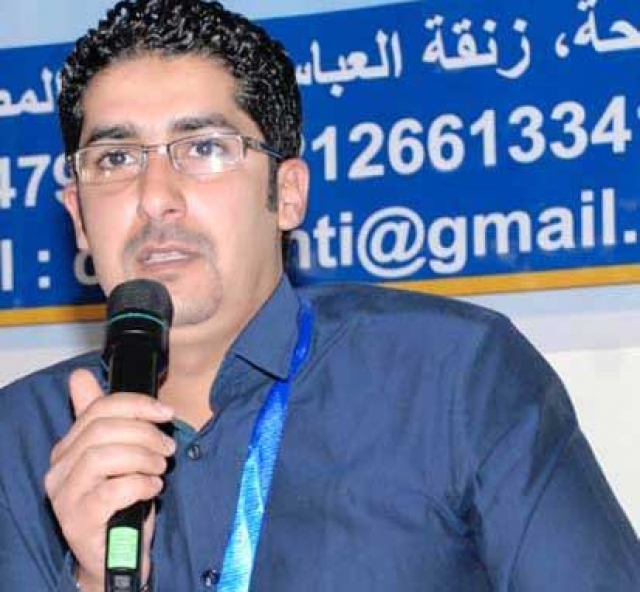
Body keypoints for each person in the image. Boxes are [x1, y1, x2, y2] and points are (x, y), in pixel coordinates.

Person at [0, 1, 638, 590]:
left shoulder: (454, 378)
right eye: (116, 158)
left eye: (204, 148)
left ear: (289, 195)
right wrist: (96, 580)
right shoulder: (18, 440)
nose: (155, 197)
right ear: (78, 216)